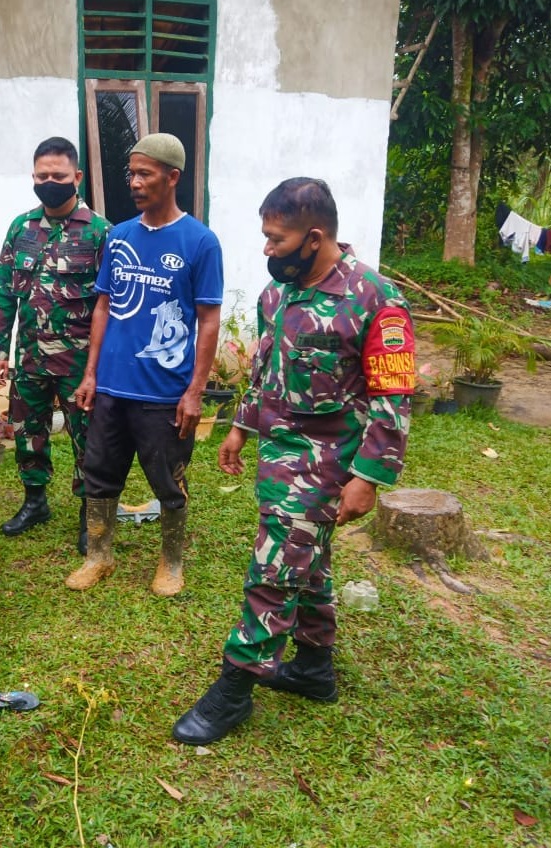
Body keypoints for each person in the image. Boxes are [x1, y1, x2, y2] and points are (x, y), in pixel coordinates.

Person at [171, 177, 415, 745]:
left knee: (275, 569)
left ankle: (235, 688)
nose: (267, 248)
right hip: (279, 455)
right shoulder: (275, 295)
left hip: (328, 462)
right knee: (309, 560)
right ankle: (311, 667)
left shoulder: (375, 299)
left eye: (276, 239)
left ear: (314, 238)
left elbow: (393, 397)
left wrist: (368, 477)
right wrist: (240, 427)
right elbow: (265, 370)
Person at [70, 133, 223, 596]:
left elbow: (209, 320)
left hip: (164, 391)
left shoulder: (200, 242)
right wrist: (91, 374)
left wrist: (194, 391)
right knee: (99, 474)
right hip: (112, 387)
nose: (134, 182)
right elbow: (103, 306)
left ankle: (171, 563)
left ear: (172, 177)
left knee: (167, 480)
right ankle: (99, 556)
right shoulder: (119, 236)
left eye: (145, 174)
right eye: (131, 173)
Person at [0, 137, 110, 554]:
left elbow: (110, 305)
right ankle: (34, 501)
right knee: (28, 431)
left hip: (79, 361)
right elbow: (5, 291)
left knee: (87, 438)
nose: (50, 182)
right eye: (43, 176)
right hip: (30, 356)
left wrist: (101, 366)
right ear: (33, 177)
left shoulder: (100, 232)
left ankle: (89, 513)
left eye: (59, 175)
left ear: (77, 177)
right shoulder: (21, 228)